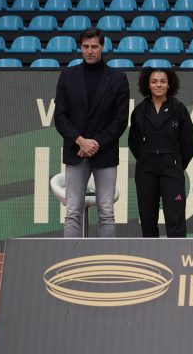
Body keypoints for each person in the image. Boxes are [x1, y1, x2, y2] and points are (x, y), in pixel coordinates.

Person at [54, 27, 129, 238]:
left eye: (94, 46)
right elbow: (60, 117)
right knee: (72, 213)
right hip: (75, 152)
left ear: (102, 47)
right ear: (80, 47)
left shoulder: (118, 78)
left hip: (105, 154)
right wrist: (80, 141)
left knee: (106, 212)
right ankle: (70, 257)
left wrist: (95, 144)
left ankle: (106, 258)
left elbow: (120, 120)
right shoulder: (67, 76)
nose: (89, 51)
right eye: (85, 46)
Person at [128, 68, 193, 238]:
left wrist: (176, 163)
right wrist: (146, 158)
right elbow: (133, 142)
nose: (158, 85)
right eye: (154, 81)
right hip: (146, 170)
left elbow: (189, 143)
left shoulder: (179, 109)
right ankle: (151, 253)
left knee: (175, 219)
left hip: (172, 170)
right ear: (148, 85)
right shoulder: (139, 111)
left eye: (162, 81)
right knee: (147, 219)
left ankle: (177, 253)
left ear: (169, 84)